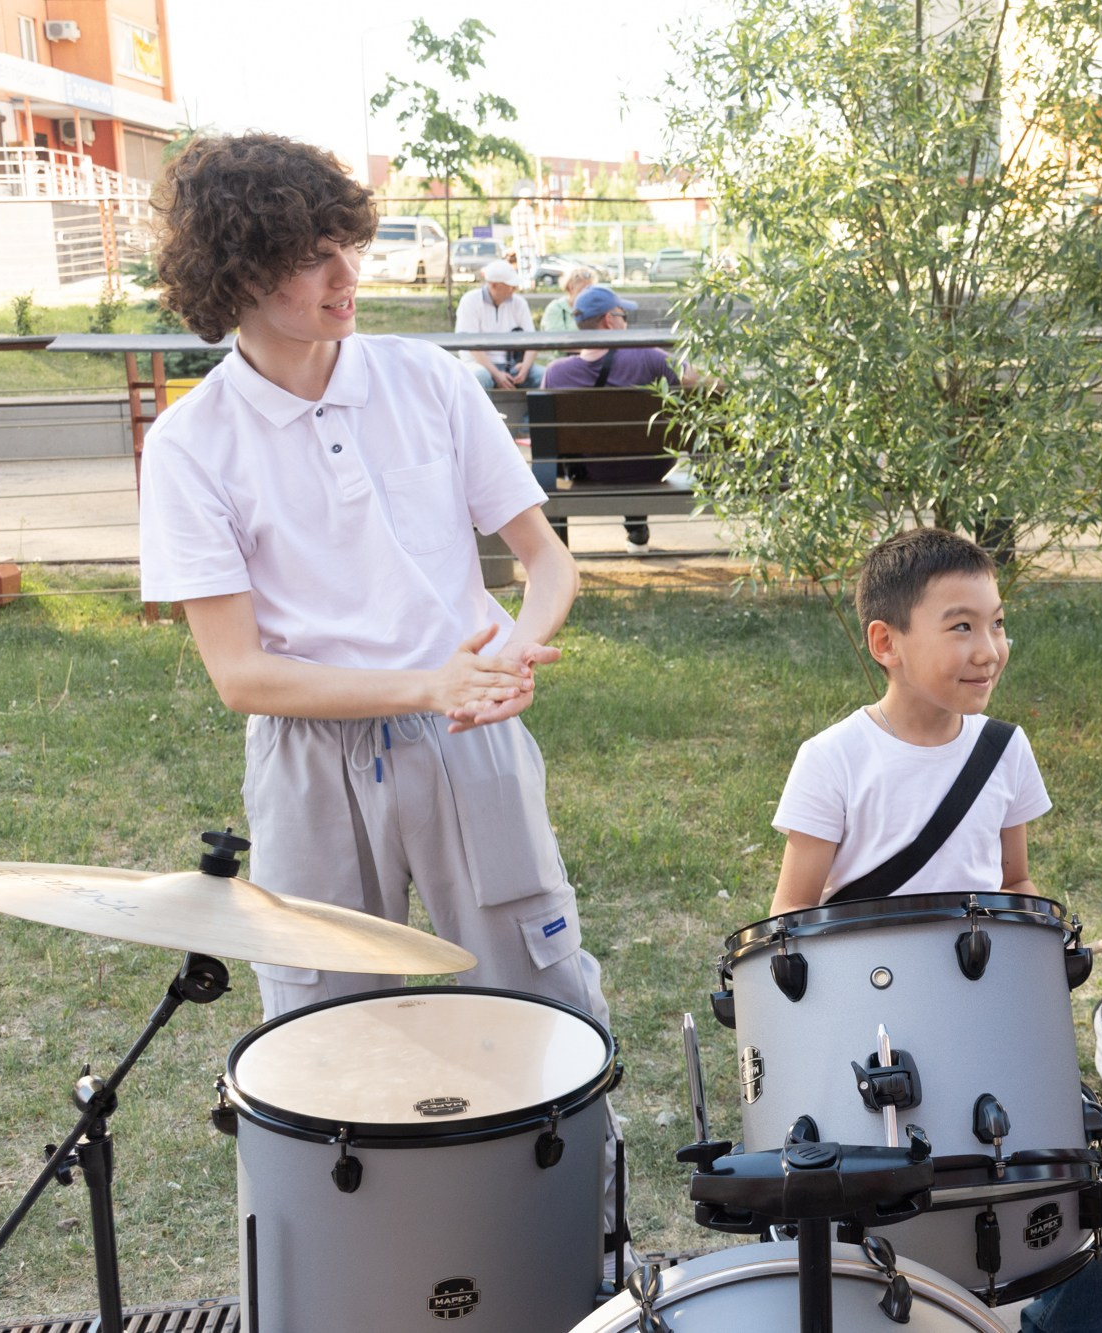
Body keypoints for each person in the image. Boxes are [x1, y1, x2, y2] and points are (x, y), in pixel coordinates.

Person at [136, 132, 622, 1261]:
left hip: (467, 733)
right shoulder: (193, 443)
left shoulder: (427, 379)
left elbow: (546, 563)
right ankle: (352, 1276)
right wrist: (429, 677)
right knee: (318, 1033)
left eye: (344, 244)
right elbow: (240, 674)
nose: (346, 274)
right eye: (311, 258)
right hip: (308, 756)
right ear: (236, 276)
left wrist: (511, 654)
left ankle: (587, 1256)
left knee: (539, 996)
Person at [768, 527, 1102, 1333]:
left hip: (984, 1028)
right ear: (887, 643)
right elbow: (786, 925)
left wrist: (1045, 948)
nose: (989, 648)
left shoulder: (1005, 749)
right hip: (870, 1042)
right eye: (961, 626)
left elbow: (1015, 880)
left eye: (998, 623)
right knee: (862, 1232)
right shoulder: (833, 760)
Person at [543, 285, 712, 552]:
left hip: (593, 471)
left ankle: (633, 526)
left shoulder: (556, 372)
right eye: (623, 315)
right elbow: (702, 381)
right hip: (651, 467)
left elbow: (545, 436)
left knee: (610, 450)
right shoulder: (647, 356)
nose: (626, 322)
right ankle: (636, 524)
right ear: (609, 320)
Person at [455, 258, 544, 389]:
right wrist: (497, 374)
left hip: (514, 365)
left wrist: (525, 367)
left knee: (547, 376)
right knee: (480, 376)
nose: (514, 289)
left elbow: (532, 341)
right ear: (494, 285)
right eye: (510, 286)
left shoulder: (519, 303)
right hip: (478, 364)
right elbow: (472, 346)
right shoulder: (470, 301)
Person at [539, 265, 597, 335]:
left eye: (590, 290)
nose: (587, 294)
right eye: (583, 290)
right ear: (571, 287)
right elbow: (554, 337)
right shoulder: (556, 308)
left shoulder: (593, 308)